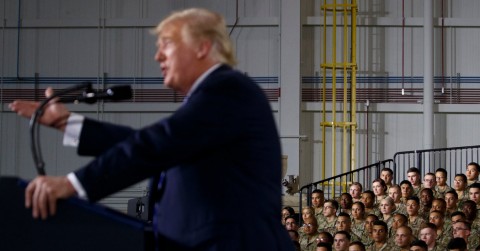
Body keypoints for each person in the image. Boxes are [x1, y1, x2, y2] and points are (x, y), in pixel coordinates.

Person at [9, 8, 293, 250]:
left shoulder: (227, 90)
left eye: (166, 43)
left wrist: (72, 184)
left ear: (202, 47)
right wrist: (66, 122)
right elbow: (153, 146)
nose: (158, 56)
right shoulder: (214, 99)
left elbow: (155, 144)